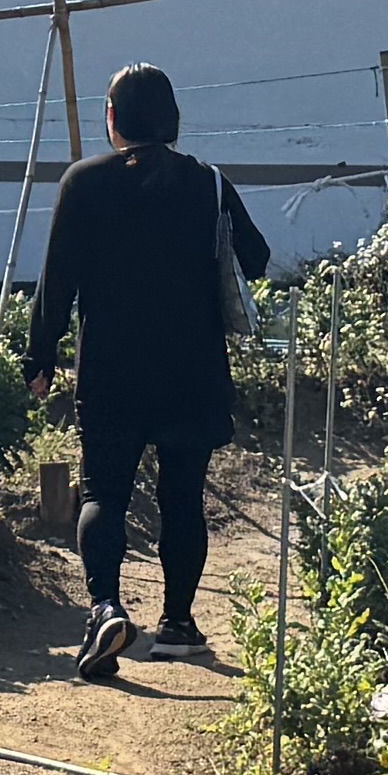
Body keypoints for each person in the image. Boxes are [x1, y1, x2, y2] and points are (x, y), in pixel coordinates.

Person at [24, 62, 273, 680]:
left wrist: (41, 356)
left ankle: (106, 609)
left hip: (112, 368)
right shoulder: (209, 183)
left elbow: (57, 283)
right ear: (172, 119)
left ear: (112, 119)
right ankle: (180, 625)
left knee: (105, 492)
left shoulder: (83, 182)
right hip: (193, 370)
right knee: (182, 496)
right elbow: (259, 260)